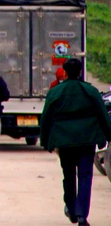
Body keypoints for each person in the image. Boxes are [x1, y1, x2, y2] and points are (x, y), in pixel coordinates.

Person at [40, 58, 111, 226]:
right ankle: (81, 215)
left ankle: (71, 209)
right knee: (85, 176)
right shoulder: (90, 91)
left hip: (64, 141)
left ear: (64, 72)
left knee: (69, 175)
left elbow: (46, 118)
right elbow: (103, 115)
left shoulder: (56, 92)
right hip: (86, 141)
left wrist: (45, 140)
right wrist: (107, 136)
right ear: (80, 72)